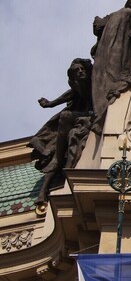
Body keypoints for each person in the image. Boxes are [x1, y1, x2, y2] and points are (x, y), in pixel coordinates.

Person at [30, 58, 95, 203]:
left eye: (82, 69)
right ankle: (55, 165)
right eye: (77, 71)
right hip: (84, 116)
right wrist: (50, 104)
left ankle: (58, 160)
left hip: (93, 116)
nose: (80, 72)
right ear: (74, 77)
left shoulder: (95, 81)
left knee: (66, 119)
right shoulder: (78, 88)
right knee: (65, 119)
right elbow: (68, 95)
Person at [92, 0, 131, 133]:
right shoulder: (116, 14)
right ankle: (101, 110)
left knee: (114, 75)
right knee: (102, 77)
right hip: (105, 51)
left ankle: (105, 109)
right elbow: (98, 26)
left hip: (121, 52)